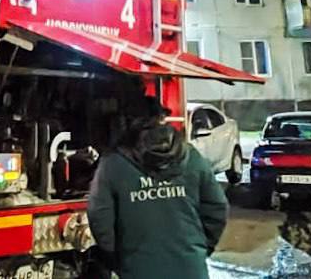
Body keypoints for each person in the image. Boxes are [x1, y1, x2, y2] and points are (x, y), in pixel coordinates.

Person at [86, 97, 228, 279]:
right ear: (161, 119)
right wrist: (199, 248)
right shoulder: (191, 156)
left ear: (126, 123)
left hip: (138, 270)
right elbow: (217, 208)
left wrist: (119, 258)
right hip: (191, 269)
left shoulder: (113, 164)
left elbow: (100, 218)